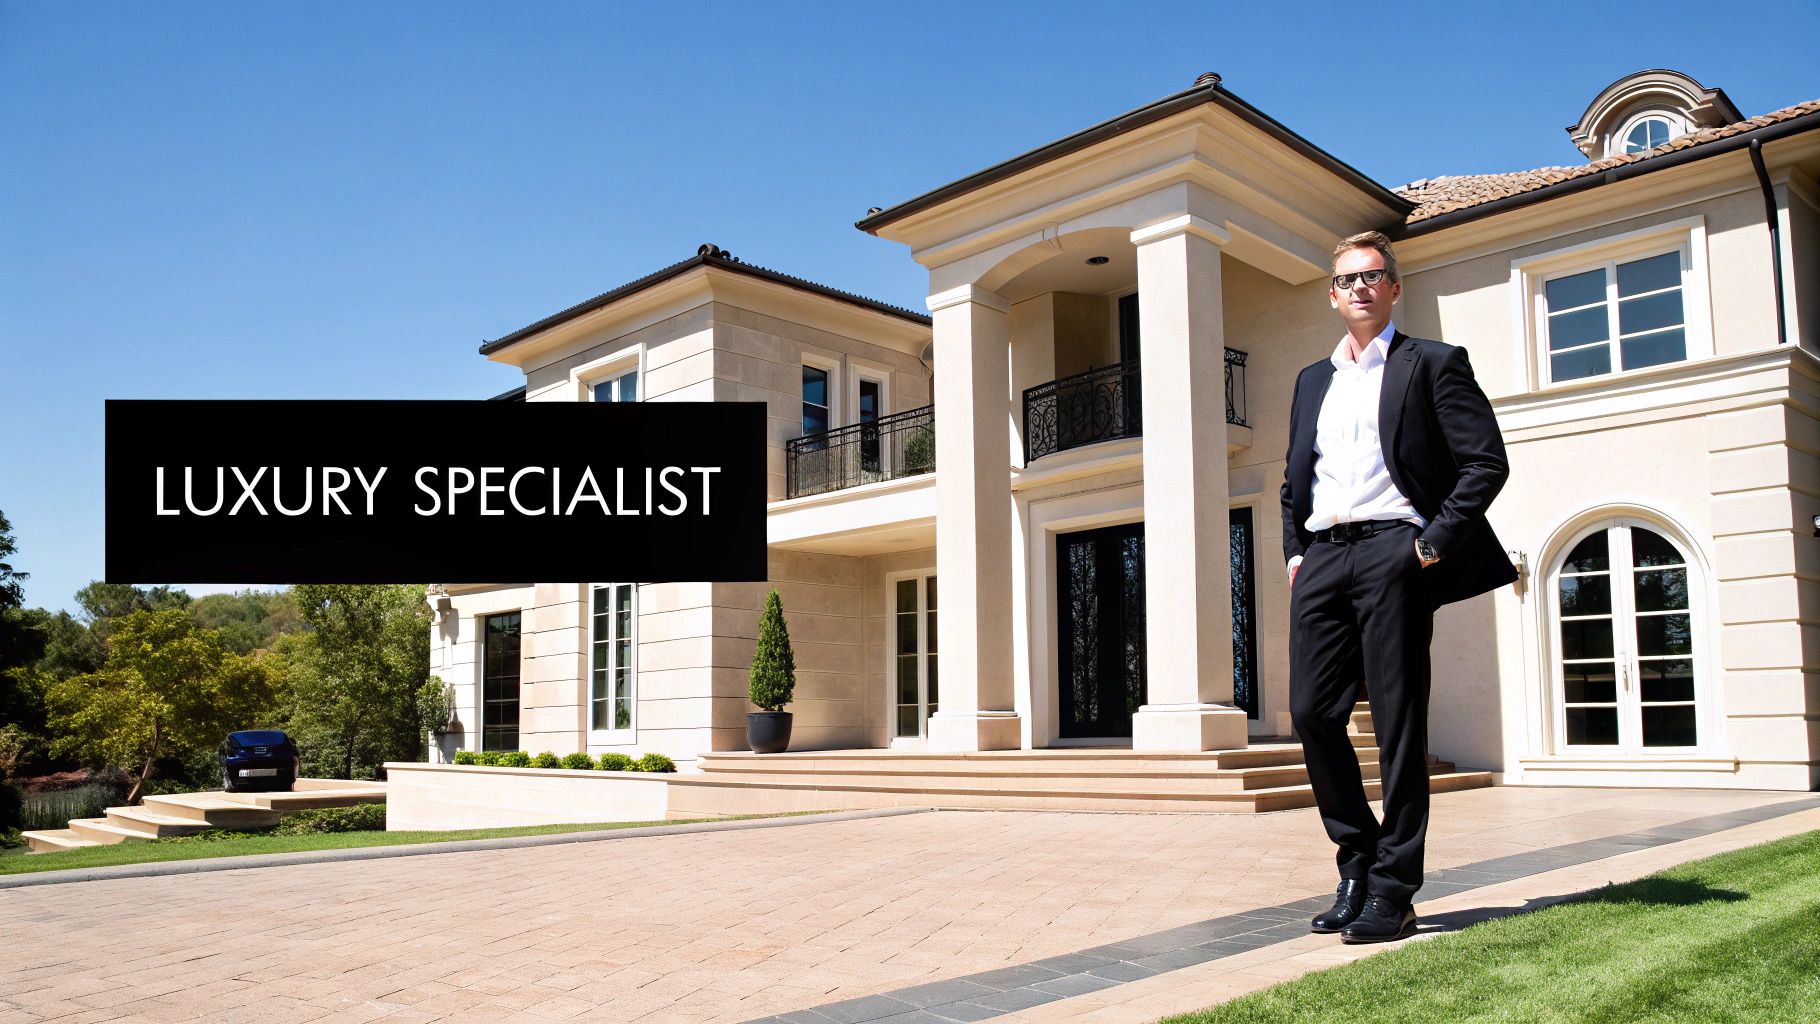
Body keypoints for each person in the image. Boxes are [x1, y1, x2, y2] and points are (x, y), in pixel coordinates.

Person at [1280, 230, 1516, 943]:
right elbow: (1295, 475)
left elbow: (1486, 462)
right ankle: (1357, 860)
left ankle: (1394, 890)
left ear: (1393, 288)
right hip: (1322, 556)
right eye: (1348, 278)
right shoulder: (1311, 381)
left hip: (1394, 551)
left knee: (1397, 722)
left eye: (1373, 276)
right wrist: (1295, 552)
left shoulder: (1432, 364)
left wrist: (1429, 545)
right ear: (1332, 293)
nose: (1360, 287)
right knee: (1312, 713)